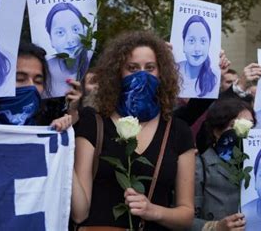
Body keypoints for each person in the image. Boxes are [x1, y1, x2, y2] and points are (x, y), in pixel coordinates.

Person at [71, 31, 196, 230]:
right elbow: (79, 213)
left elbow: (186, 215)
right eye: (132, 68)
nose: (142, 74)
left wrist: (153, 211)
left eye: (150, 68)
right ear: (117, 72)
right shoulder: (93, 123)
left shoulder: (178, 131)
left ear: (161, 73)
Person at [192, 97, 261, 231]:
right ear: (216, 131)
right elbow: (183, 221)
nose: (243, 132)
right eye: (234, 125)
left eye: (250, 125)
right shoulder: (199, 165)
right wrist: (215, 227)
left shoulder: (260, 165)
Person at [45, 2, 92, 97]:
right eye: (60, 32)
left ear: (85, 32)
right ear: (51, 39)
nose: (70, 40)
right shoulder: (43, 70)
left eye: (75, 30)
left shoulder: (94, 67)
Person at [178, 15, 217, 98]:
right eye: (191, 41)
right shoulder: (171, 71)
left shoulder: (215, 78)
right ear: (184, 44)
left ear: (209, 45)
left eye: (203, 41)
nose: (197, 49)